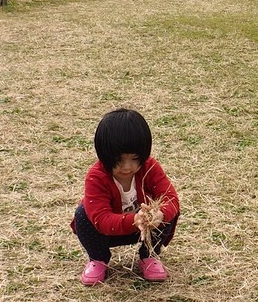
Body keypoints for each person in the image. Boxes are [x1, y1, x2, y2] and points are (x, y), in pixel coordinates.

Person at [70, 108, 180, 285]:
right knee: (83, 214)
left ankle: (149, 256)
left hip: (144, 231)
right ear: (104, 155)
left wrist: (159, 215)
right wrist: (133, 220)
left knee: (166, 211)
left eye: (135, 159)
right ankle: (98, 259)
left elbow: (171, 198)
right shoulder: (96, 176)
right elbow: (101, 219)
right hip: (105, 233)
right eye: (119, 160)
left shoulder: (150, 167)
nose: (127, 167)